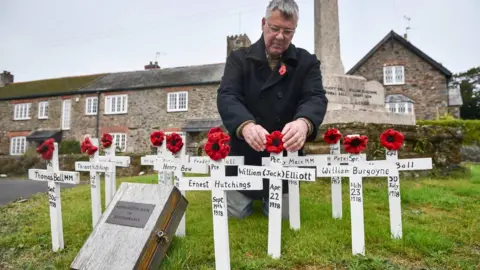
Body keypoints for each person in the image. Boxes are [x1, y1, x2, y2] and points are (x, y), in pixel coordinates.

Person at [217, 0, 328, 219]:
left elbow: (315, 97)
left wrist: (303, 122)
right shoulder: (239, 59)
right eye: (275, 28)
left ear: (294, 30)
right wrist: (246, 125)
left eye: (288, 31)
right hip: (245, 155)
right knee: (235, 214)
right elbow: (227, 95)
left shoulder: (307, 62)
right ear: (263, 24)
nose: (280, 37)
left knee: (284, 217)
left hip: (285, 157)